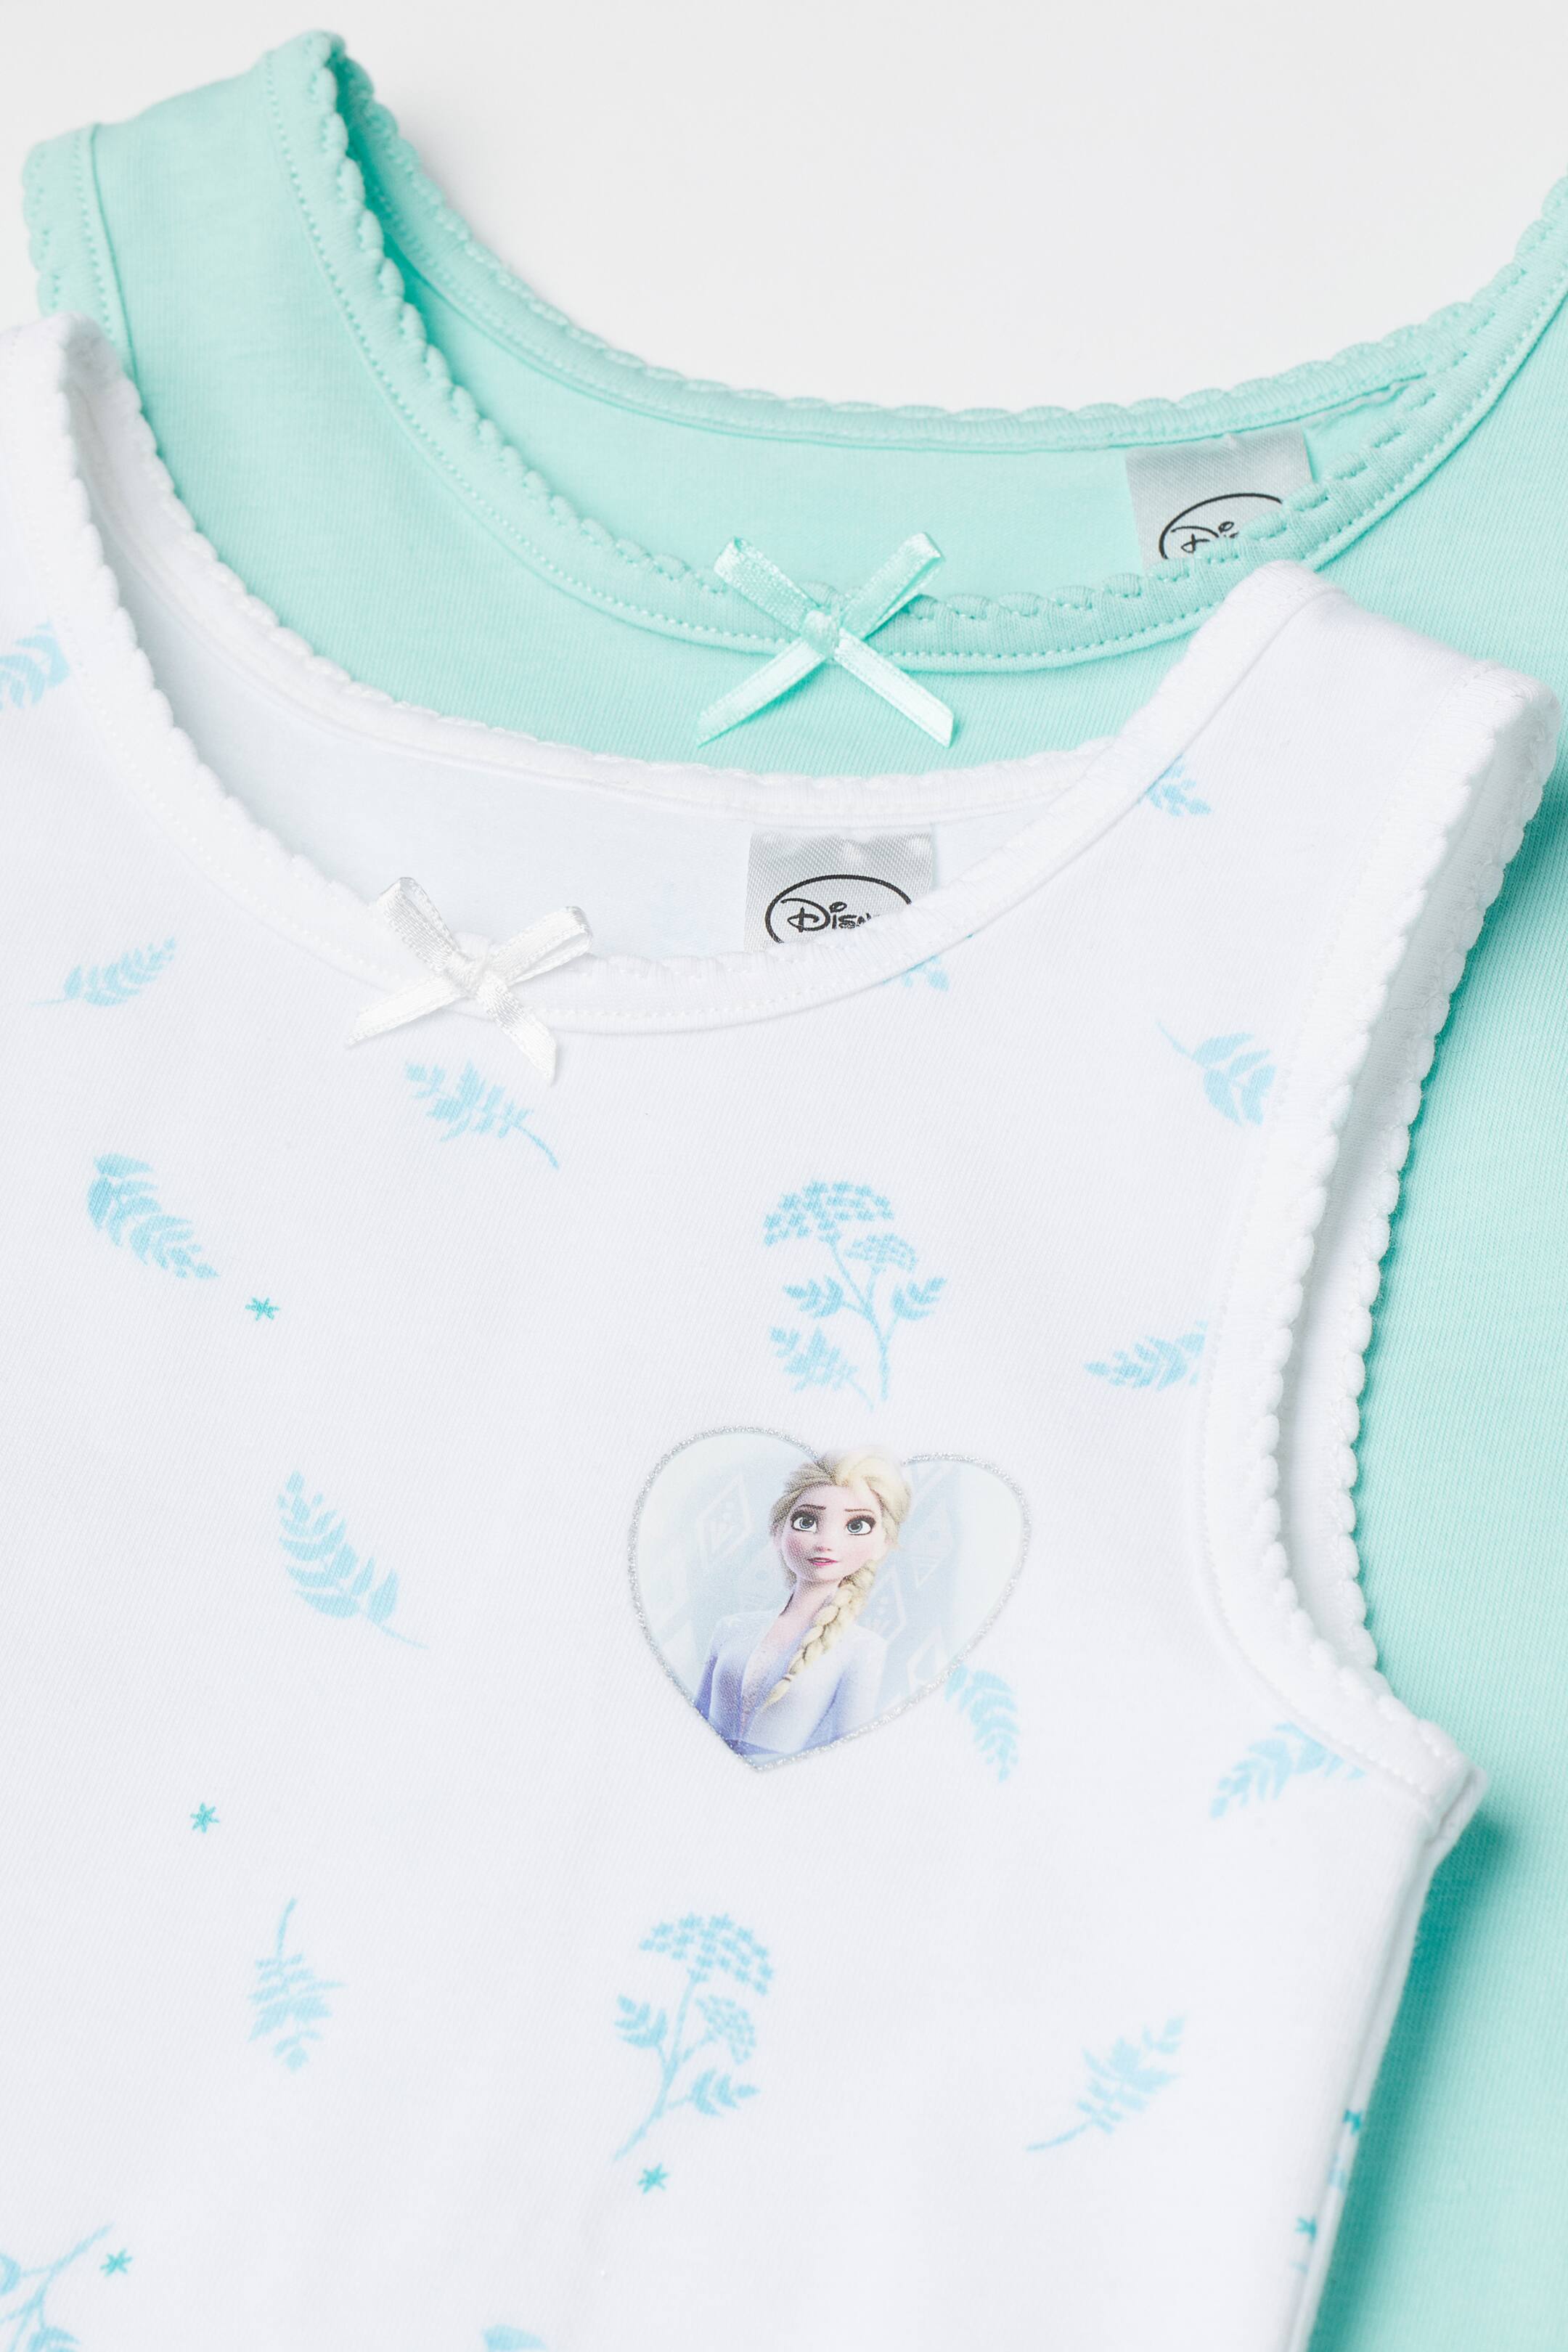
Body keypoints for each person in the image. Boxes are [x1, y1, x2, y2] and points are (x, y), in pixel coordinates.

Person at [694, 1451, 909, 1762]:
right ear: (777, 1533)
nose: (826, 1543)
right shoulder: (731, 1628)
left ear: (882, 1544)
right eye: (806, 1522)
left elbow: (848, 1752)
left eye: (857, 1525)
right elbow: (694, 1716)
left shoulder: (863, 1649)